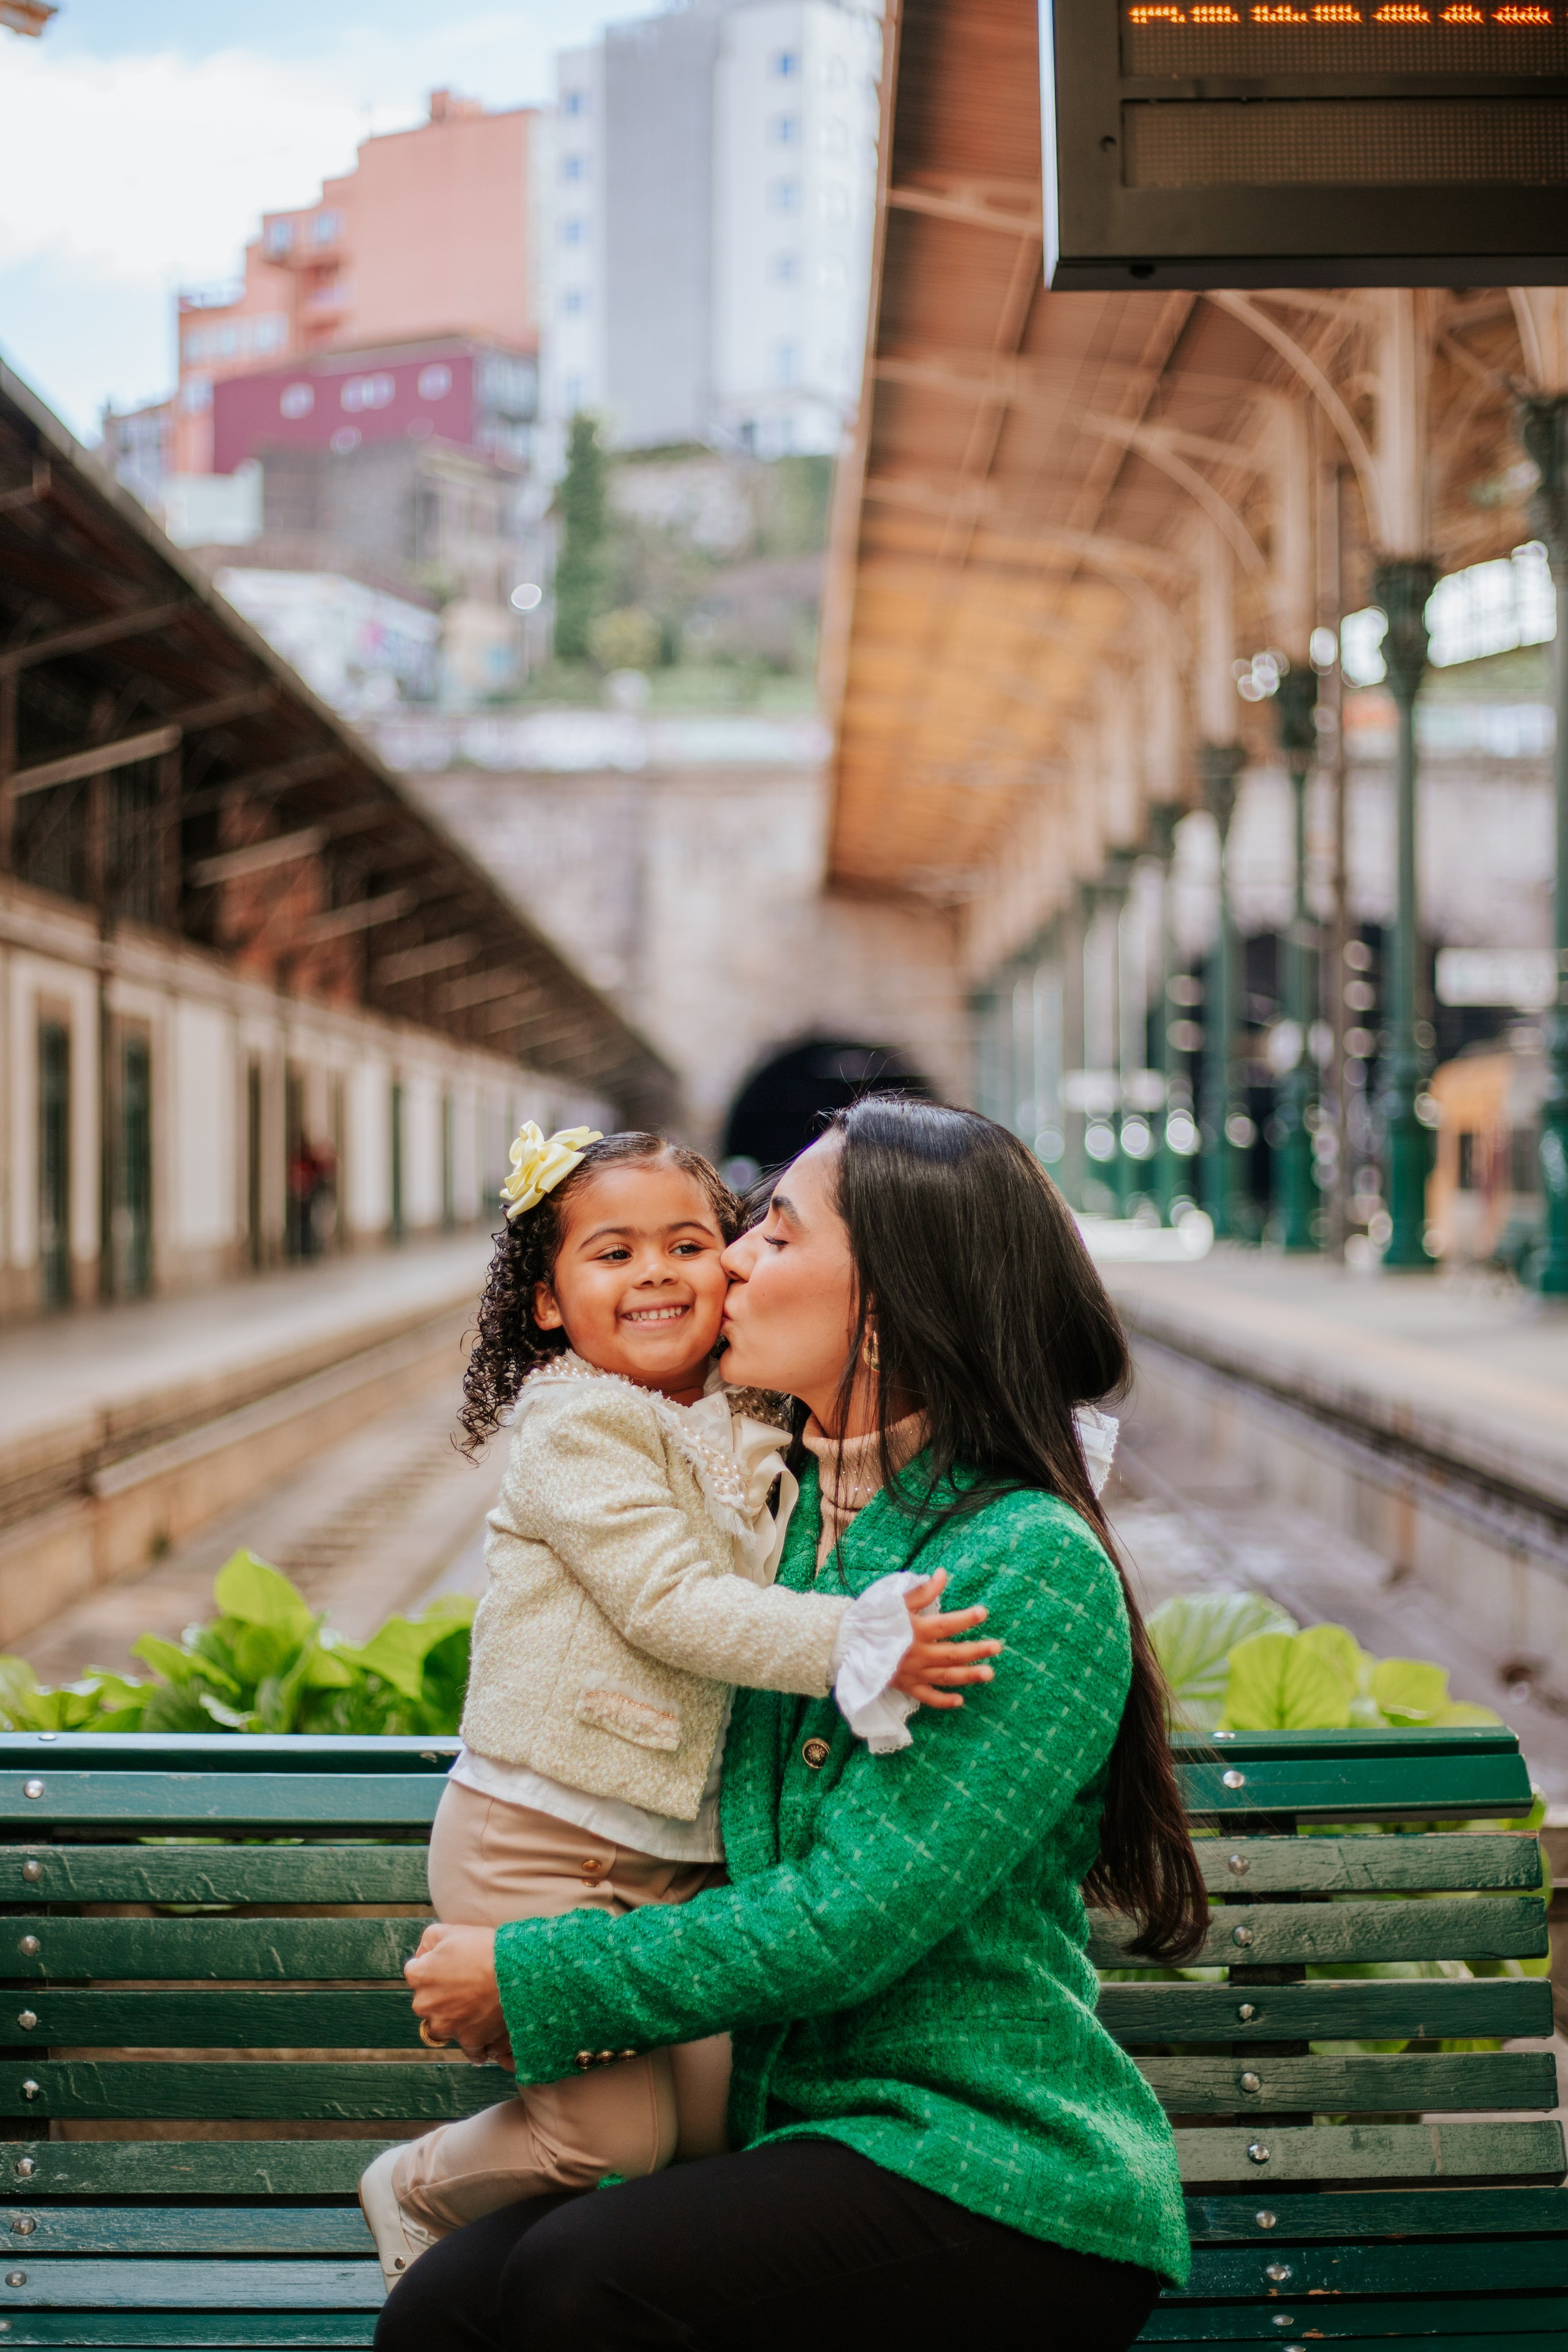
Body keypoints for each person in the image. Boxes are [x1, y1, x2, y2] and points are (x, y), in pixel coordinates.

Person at [378, 1098, 1208, 2352]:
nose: (728, 1259)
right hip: (786, 2130)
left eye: (774, 1233)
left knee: (573, 2285)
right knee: (446, 2308)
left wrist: (534, 1976)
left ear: (889, 1299)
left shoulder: (1023, 1565)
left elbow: (842, 1920)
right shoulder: (784, 1501)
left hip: (983, 2159)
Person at [358, 1121, 1001, 2288]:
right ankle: (415, 2188)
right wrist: (852, 1642)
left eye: (689, 1244)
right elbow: (668, 1603)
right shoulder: (579, 1425)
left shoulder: (752, 1410)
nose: (655, 1272)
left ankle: (559, 2292)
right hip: (539, 1834)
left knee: (707, 2133)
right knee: (611, 2142)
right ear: (546, 1303)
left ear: (731, 1262)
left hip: (677, 1859)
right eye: (612, 1254)